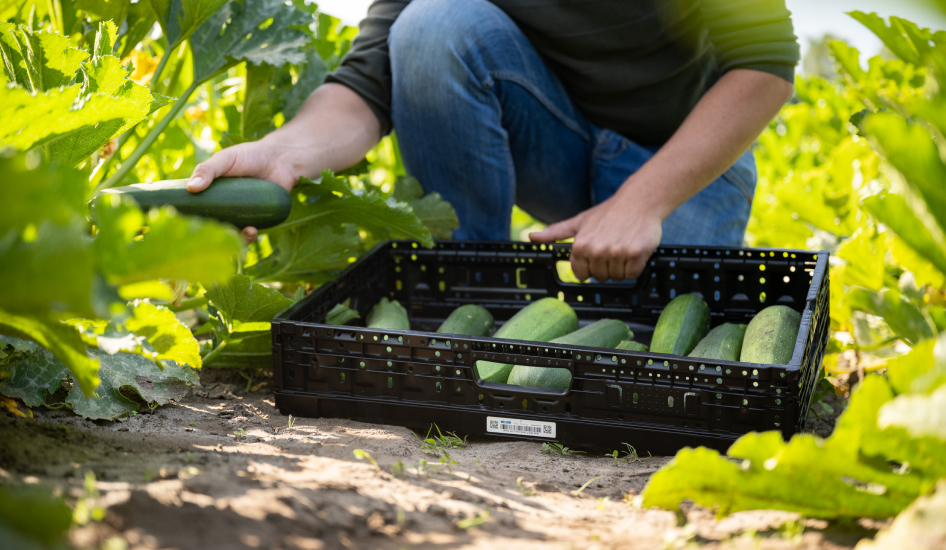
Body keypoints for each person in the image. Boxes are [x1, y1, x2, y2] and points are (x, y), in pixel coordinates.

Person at [187, 0, 799, 282]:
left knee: (655, 346)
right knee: (430, 24)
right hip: (553, 144)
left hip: (676, 164)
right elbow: (367, 84)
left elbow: (766, 63)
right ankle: (471, 288)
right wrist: (288, 151)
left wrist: (642, 201)